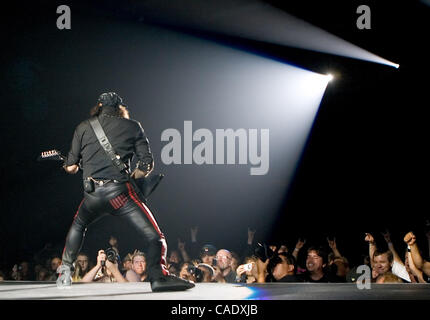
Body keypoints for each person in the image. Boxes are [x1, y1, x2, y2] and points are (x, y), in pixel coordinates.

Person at [57, 92, 194, 292]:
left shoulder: (83, 127)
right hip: (119, 196)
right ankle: (159, 277)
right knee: (155, 237)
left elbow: (70, 168)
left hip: (92, 195)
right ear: (120, 108)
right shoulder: (133, 126)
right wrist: (135, 176)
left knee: (79, 225)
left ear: (99, 106)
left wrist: (73, 164)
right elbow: (146, 164)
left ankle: (65, 273)